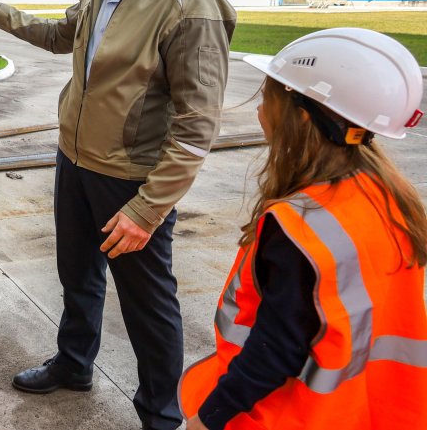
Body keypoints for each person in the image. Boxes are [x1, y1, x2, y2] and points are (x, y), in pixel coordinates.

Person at [0, 0, 236, 430]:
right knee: (78, 276)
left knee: (148, 305)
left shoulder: (188, 5)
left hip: (131, 180)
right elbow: (58, 36)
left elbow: (196, 128)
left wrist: (147, 210)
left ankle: (161, 415)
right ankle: (74, 364)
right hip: (76, 162)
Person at [180, 27, 427, 430]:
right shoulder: (387, 196)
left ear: (299, 117)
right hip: (373, 410)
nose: (260, 110)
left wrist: (210, 417)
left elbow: (275, 347)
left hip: (294, 415)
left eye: (266, 99)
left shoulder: (300, 225)